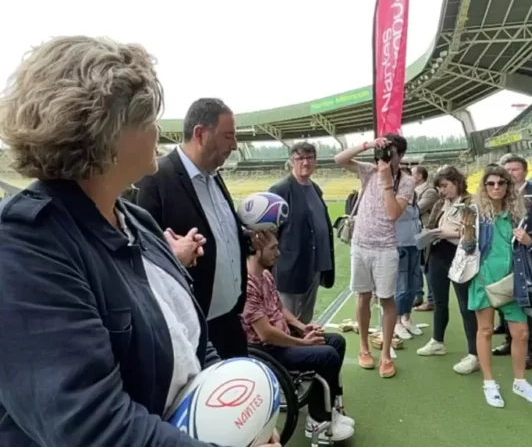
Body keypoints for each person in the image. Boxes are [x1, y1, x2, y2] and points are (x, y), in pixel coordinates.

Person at [0, 36, 226, 446]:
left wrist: (236, 407)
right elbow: (92, 428)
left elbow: (191, 344)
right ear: (106, 131)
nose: (158, 128)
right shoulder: (25, 246)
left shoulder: (135, 220)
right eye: (147, 117)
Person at [136, 98, 262, 359]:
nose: (235, 145)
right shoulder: (157, 177)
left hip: (230, 321)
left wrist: (245, 239)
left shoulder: (214, 175)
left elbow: (220, 235)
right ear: (201, 134)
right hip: (194, 330)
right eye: (228, 136)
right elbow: (142, 253)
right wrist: (175, 254)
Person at [241, 231, 355, 442]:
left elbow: (279, 308)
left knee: (336, 341)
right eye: (273, 248)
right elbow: (266, 334)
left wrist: (302, 327)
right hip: (268, 352)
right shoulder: (247, 285)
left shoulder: (265, 275)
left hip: (282, 340)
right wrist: (302, 342)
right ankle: (317, 420)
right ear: (257, 251)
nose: (279, 252)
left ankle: (333, 408)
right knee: (327, 355)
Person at [462, 165, 532, 408]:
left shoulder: (517, 214)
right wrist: (467, 228)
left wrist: (528, 241)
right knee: (485, 331)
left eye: (501, 183)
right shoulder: (476, 213)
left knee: (521, 333)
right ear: (484, 187)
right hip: (483, 280)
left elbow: (530, 247)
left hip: (512, 281)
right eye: (491, 184)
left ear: (509, 186)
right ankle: (489, 383)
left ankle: (520, 382)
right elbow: (468, 249)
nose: (496, 187)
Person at [334, 135, 415, 378]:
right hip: (360, 245)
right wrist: (368, 145)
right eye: (383, 152)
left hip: (385, 248)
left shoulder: (406, 181)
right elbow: (339, 159)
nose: (384, 158)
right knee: (363, 297)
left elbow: (392, 214)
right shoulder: (368, 170)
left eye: (390, 153)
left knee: (386, 300)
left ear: (399, 156)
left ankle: (386, 354)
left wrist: (387, 180)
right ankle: (364, 348)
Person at [416, 166, 480, 375]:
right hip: (437, 254)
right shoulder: (440, 203)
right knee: (439, 302)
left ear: (457, 182)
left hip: (460, 256)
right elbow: (432, 224)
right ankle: (437, 341)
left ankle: (474, 354)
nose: (442, 191)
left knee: (466, 305)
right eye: (439, 187)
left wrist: (443, 232)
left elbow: (470, 232)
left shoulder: (471, 202)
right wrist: (430, 233)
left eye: (445, 186)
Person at [493, 155, 532, 369]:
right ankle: (510, 341)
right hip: (505, 258)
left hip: (530, 258)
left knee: (531, 301)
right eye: (507, 169)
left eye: (515, 169)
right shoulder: (498, 195)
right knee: (506, 300)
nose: (510, 173)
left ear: (525, 171)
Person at [268, 141, 335, 324]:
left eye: (309, 158)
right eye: (300, 158)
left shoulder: (314, 188)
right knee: (287, 319)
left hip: (313, 264)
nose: (305, 162)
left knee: (305, 318)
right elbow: (269, 231)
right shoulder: (280, 190)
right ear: (291, 161)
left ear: (315, 161)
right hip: (291, 266)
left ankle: (303, 349)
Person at [394, 166, 424, 339]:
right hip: (400, 244)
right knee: (401, 285)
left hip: (415, 243)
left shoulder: (414, 197)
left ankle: (406, 317)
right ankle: (396, 321)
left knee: (413, 284)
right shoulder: (396, 198)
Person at [412, 165, 438, 310]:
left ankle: (432, 300)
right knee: (418, 266)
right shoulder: (415, 191)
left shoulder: (429, 192)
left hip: (426, 233)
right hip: (417, 233)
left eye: (412, 174)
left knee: (426, 266)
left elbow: (416, 210)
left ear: (420, 176)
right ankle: (418, 296)